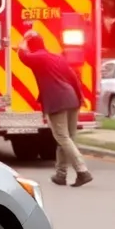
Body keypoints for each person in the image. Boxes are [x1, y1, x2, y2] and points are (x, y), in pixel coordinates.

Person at [17, 31, 92, 186]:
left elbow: (23, 56)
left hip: (57, 101)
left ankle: (82, 171)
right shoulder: (57, 57)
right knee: (67, 138)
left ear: (31, 46)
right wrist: (80, 98)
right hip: (72, 99)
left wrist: (23, 41)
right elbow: (73, 77)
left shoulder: (38, 57)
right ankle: (61, 174)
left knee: (62, 137)